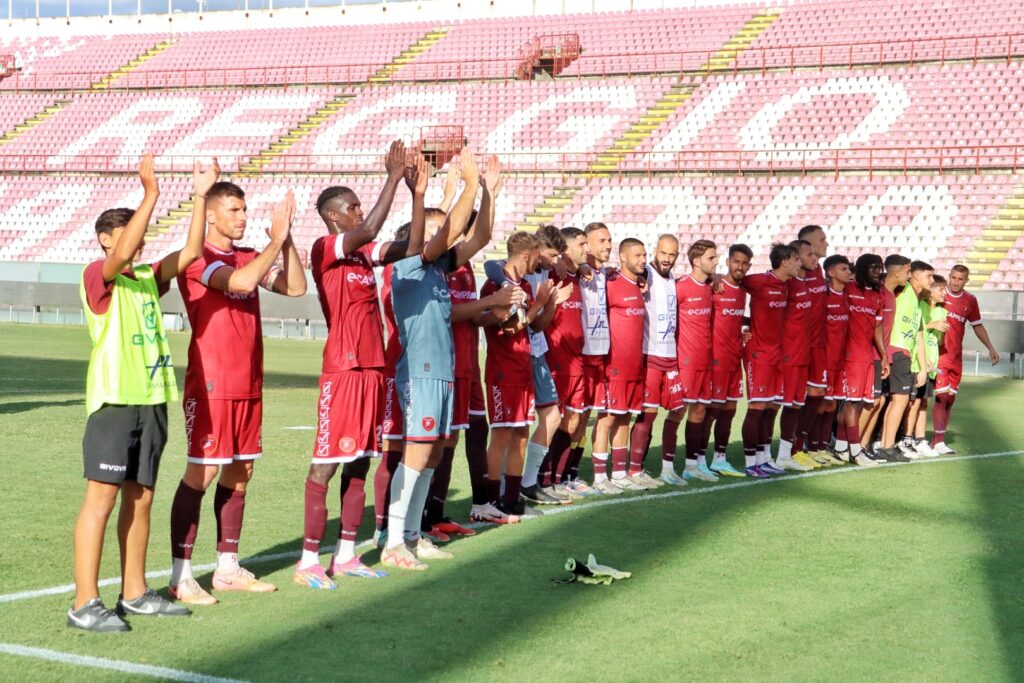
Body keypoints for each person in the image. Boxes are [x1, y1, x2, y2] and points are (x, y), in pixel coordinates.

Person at [69, 154, 211, 631]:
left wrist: (199, 197)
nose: (139, 240)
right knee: (101, 499)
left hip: (151, 403)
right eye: (128, 233)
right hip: (114, 403)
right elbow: (122, 255)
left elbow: (190, 252)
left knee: (142, 497)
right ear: (108, 240)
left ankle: (134, 594)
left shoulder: (148, 278)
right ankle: (84, 602)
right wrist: (150, 194)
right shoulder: (98, 274)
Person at [294, 142, 429, 590]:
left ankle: (346, 554)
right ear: (334, 216)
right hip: (345, 370)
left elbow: (410, 247)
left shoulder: (362, 256)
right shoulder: (326, 248)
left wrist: (415, 193)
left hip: (374, 369)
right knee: (327, 464)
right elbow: (370, 227)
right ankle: (308, 560)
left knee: (359, 463)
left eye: (356, 207)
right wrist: (391, 176)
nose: (358, 214)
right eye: (350, 208)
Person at [168, 178, 307, 605]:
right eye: (233, 210)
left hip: (248, 383)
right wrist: (274, 243)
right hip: (212, 384)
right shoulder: (197, 259)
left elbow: (296, 288)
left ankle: (227, 568)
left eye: (244, 210)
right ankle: (181, 575)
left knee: (241, 471)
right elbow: (242, 283)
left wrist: (286, 241)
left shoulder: (250, 255)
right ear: (209, 215)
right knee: (203, 473)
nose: (243, 217)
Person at [382, 148, 492, 570]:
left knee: (431, 456)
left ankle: (412, 535)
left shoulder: (438, 271)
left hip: (443, 374)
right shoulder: (408, 266)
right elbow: (452, 232)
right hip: (421, 375)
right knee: (417, 454)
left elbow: (478, 237)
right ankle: (393, 542)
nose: (443, 234)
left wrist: (485, 191)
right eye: (432, 228)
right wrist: (463, 186)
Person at [479, 231, 560, 516]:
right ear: (526, 255)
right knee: (502, 435)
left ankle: (512, 500)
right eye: (537, 256)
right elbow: (509, 327)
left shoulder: (523, 283)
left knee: (522, 434)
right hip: (503, 370)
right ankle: (491, 502)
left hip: (523, 367)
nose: (539, 262)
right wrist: (538, 303)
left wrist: (547, 302)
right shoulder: (494, 285)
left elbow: (533, 326)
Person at [736, 243, 801, 478]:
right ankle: (750, 462)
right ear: (784, 261)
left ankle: (764, 459)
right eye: (795, 259)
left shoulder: (786, 285)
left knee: (768, 410)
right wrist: (743, 325)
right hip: (758, 355)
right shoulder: (759, 281)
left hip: (776, 356)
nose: (799, 264)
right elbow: (734, 283)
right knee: (756, 409)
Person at [591, 238, 648, 493]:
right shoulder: (610, 282)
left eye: (644, 256)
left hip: (635, 365)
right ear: (622, 257)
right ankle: (600, 478)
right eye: (637, 255)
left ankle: (618, 473)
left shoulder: (639, 284)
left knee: (625, 417)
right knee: (607, 418)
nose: (642, 260)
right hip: (613, 365)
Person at [544, 227, 595, 495]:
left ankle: (560, 478)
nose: (586, 249)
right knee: (554, 421)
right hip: (556, 361)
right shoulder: (553, 275)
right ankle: (544, 479)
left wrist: (582, 264)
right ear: (564, 250)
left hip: (578, 360)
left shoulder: (578, 276)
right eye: (581, 244)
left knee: (574, 420)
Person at [629, 234, 682, 486]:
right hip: (650, 355)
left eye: (672, 255)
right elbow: (624, 274)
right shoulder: (646, 274)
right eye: (663, 253)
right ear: (655, 252)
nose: (667, 259)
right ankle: (634, 470)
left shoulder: (673, 279)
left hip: (672, 357)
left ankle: (667, 468)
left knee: (677, 410)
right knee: (647, 415)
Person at [932, 265, 1000, 453]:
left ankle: (938, 440)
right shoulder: (938, 294)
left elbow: (977, 326)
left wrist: (990, 348)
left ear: (966, 280)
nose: (955, 282)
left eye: (960, 279)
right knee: (941, 397)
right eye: (953, 277)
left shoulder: (970, 300)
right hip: (938, 356)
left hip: (956, 357)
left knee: (950, 399)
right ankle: (937, 441)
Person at [670, 239, 721, 482]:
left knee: (700, 411)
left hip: (706, 361)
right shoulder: (681, 287)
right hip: (686, 362)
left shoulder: (710, 287)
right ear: (696, 261)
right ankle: (667, 468)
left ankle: (692, 465)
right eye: (711, 258)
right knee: (678, 412)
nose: (716, 261)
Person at [833, 254, 889, 467]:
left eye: (880, 268)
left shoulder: (878, 296)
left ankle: (840, 446)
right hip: (849, 357)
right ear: (863, 268)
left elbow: (877, 328)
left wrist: (883, 356)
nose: (877, 272)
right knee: (851, 402)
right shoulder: (848, 289)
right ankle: (856, 451)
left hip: (866, 356)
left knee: (858, 404)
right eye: (874, 268)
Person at [775, 239, 825, 471]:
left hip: (806, 353)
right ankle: (766, 455)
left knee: (797, 404)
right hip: (787, 355)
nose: (813, 259)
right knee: (774, 406)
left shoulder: (807, 281)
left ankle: (790, 452)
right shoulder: (785, 283)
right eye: (807, 255)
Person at [877, 260, 933, 462]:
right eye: (929, 275)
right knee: (898, 400)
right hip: (896, 349)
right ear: (915, 275)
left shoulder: (917, 303)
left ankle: (886, 444)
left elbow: (918, 334)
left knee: (897, 401)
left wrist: (923, 365)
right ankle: (886, 446)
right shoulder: (903, 290)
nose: (932, 280)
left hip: (905, 354)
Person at [706, 243, 753, 477]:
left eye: (745, 263)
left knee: (729, 410)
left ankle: (720, 458)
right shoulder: (714, 286)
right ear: (728, 262)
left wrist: (743, 332)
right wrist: (713, 276)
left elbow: (737, 319)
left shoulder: (744, 291)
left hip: (735, 360)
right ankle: (697, 459)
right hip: (715, 361)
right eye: (737, 261)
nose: (740, 266)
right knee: (711, 410)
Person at [859, 254, 909, 456]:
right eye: (907, 271)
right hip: (869, 355)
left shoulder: (890, 295)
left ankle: (862, 445)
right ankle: (852, 445)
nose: (909, 275)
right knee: (870, 402)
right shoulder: (878, 292)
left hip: (880, 356)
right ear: (896, 272)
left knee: (877, 402)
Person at [578, 222, 614, 491]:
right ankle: (560, 474)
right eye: (601, 241)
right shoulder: (579, 273)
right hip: (582, 355)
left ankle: (587, 474)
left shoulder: (607, 275)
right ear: (587, 245)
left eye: (609, 240)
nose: (608, 245)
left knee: (602, 414)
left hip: (604, 355)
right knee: (576, 417)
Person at [793, 225, 831, 463]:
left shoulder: (818, 270)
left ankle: (802, 445)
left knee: (818, 395)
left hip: (819, 345)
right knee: (794, 400)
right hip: (797, 347)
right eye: (821, 239)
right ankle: (792, 448)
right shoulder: (797, 270)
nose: (826, 242)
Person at [900, 275, 949, 458]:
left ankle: (919, 439)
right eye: (941, 289)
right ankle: (906, 438)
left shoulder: (943, 312)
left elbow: (935, 340)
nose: (945, 292)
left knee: (923, 402)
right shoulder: (919, 306)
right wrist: (932, 324)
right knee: (911, 401)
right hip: (916, 362)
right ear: (931, 292)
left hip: (931, 364)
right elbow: (917, 331)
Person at [817, 255, 852, 460]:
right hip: (824, 362)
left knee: (832, 407)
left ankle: (822, 447)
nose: (848, 273)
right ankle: (806, 447)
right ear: (830, 272)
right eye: (843, 269)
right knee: (819, 406)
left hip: (841, 363)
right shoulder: (823, 295)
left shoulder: (848, 295)